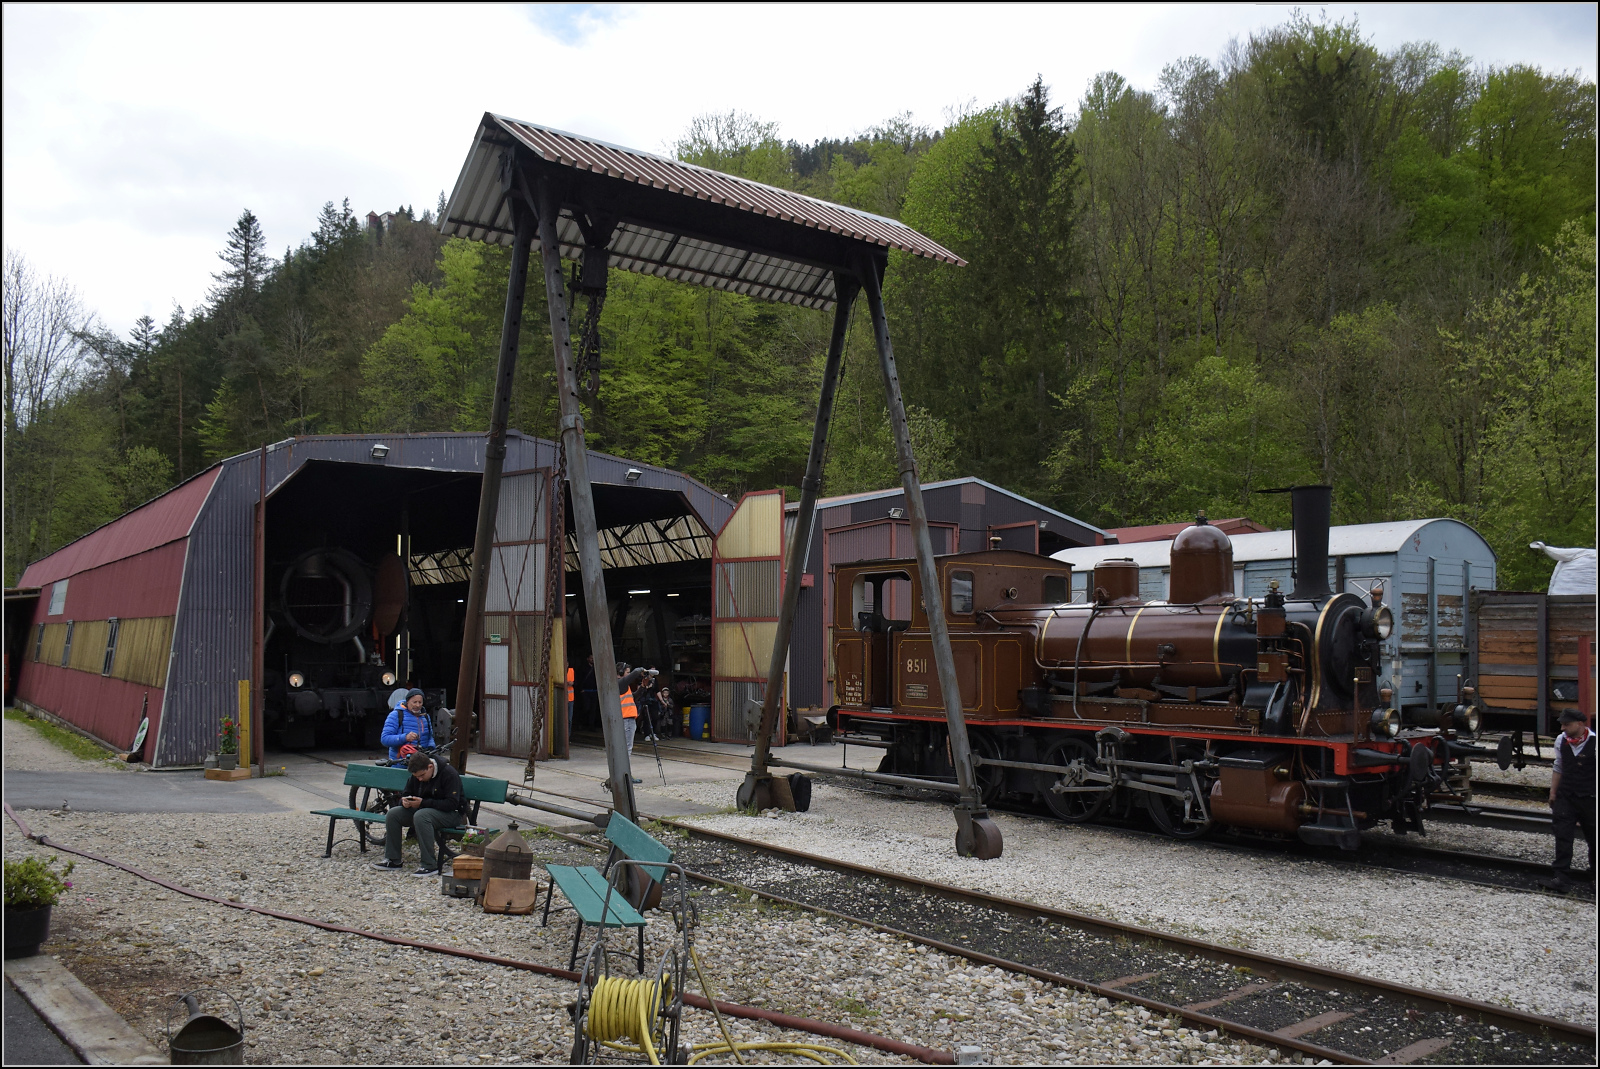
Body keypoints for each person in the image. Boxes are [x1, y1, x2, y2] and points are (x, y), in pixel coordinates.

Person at [371, 752, 465, 877]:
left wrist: (422, 803)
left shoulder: (449, 773)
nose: (419, 779)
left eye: (422, 775)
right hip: (424, 810)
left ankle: (429, 865)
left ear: (430, 767)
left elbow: (452, 804)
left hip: (452, 814)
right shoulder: (416, 777)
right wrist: (404, 801)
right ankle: (393, 860)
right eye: (416, 777)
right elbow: (406, 793)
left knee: (421, 816)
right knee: (393, 814)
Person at [1543, 709, 1595, 892]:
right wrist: (1553, 793)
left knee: (1594, 838)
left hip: (1590, 798)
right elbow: (1559, 767)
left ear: (1580, 724)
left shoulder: (1595, 742)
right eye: (1562, 724)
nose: (1563, 728)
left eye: (1567, 724)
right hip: (1566, 796)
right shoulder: (1561, 740)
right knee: (1563, 836)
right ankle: (1561, 877)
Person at [380, 689, 435, 762]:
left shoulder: (425, 717)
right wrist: (405, 737)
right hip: (400, 763)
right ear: (407, 701)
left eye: (420, 702)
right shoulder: (396, 715)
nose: (417, 705)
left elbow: (429, 737)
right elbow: (385, 739)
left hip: (421, 762)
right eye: (414, 702)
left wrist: (431, 747)